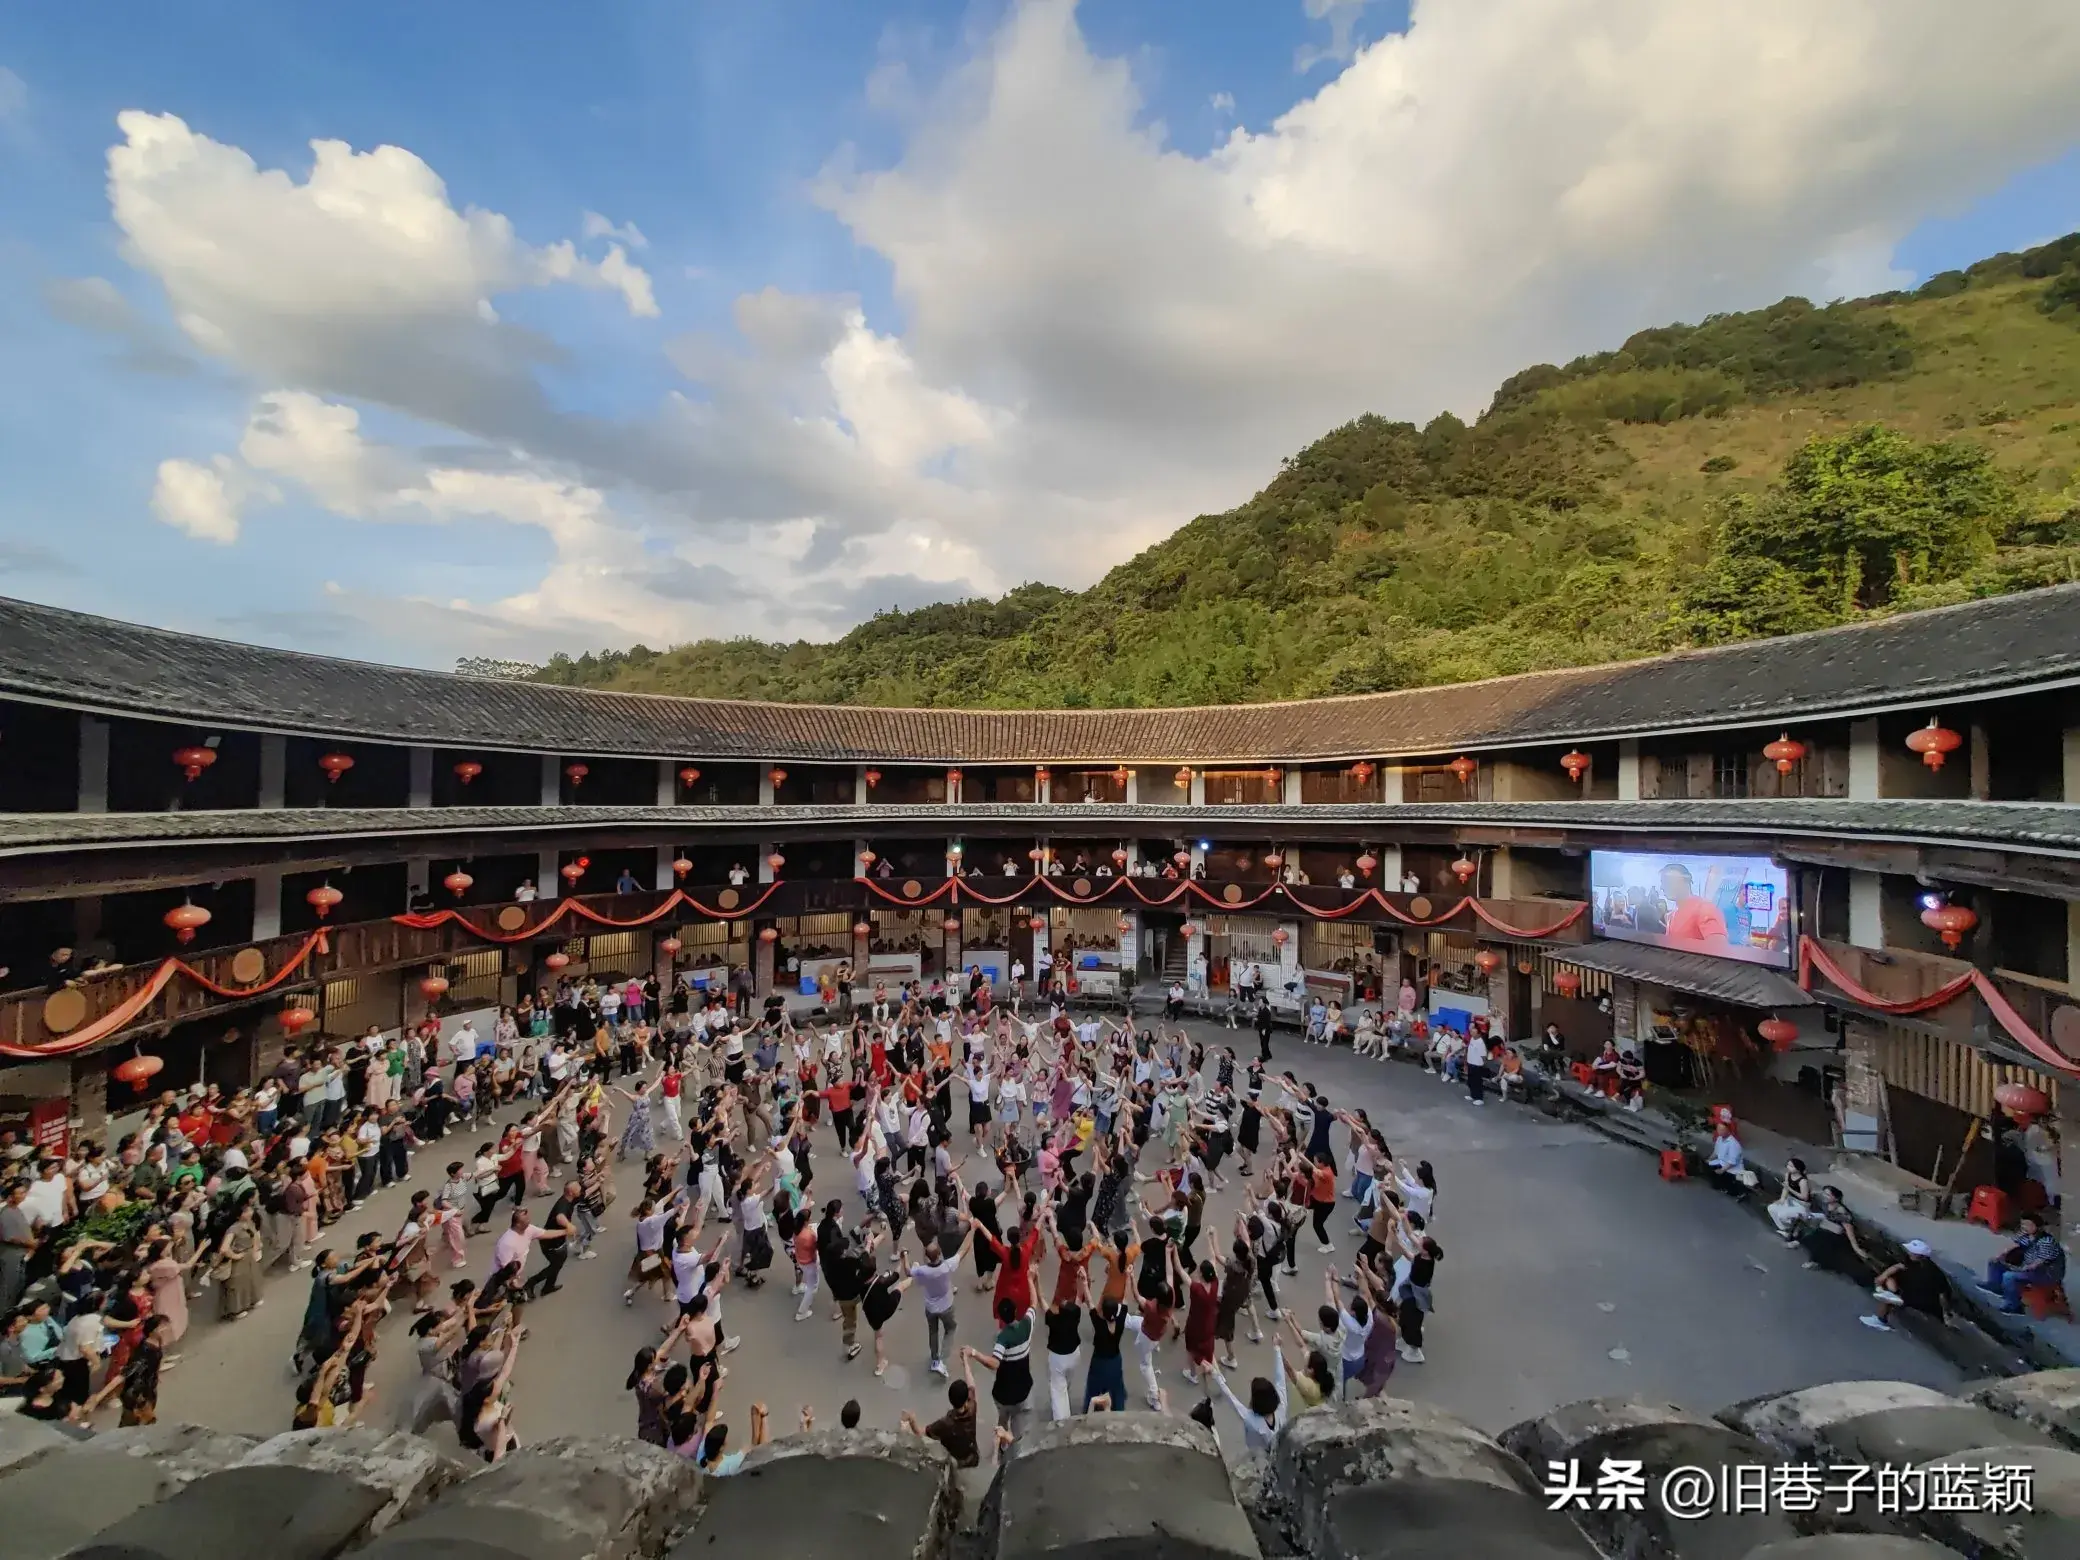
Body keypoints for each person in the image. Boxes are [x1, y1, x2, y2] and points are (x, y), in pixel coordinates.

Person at [1978, 1214, 2067, 1313]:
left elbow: (2038, 1263)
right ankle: (1996, 1287)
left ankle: (2014, 1306)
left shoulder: (2047, 1241)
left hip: (2045, 1273)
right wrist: (2000, 1256)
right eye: (2023, 1224)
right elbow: (2014, 1245)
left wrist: (2021, 1270)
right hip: (2027, 1265)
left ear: (2037, 1226)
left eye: (2028, 1225)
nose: (2024, 1227)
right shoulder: (2026, 1235)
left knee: (2009, 1276)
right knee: (1994, 1262)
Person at [1864, 1239, 1954, 1332]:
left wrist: (1945, 1314)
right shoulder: (1916, 1263)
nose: (1909, 1253)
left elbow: (1942, 1295)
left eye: (1912, 1252)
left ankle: (1880, 1320)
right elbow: (1899, 1266)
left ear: (1919, 1255)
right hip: (1916, 1296)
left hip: (1918, 1299)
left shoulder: (1931, 1273)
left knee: (1888, 1295)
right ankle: (1890, 1294)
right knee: (1889, 1280)